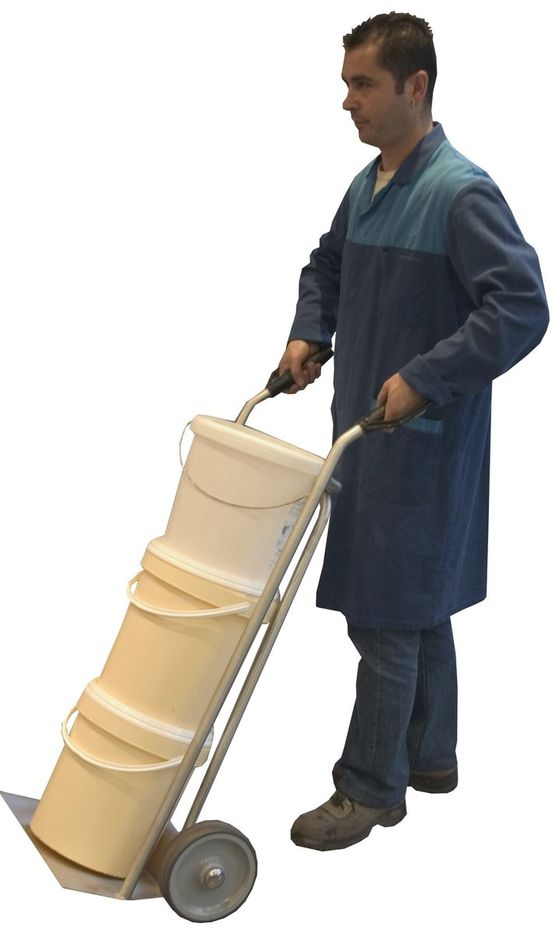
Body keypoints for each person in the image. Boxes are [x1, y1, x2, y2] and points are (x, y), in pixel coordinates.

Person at [277, 13, 549, 851]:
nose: (346, 101)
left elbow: (521, 306)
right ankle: (429, 754)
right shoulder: (370, 185)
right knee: (416, 607)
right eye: (347, 83)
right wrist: (309, 330)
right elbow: (327, 264)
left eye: (362, 84)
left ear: (414, 84)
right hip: (367, 435)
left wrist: (425, 377)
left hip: (419, 450)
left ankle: (369, 788)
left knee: (385, 615)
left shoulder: (458, 193)